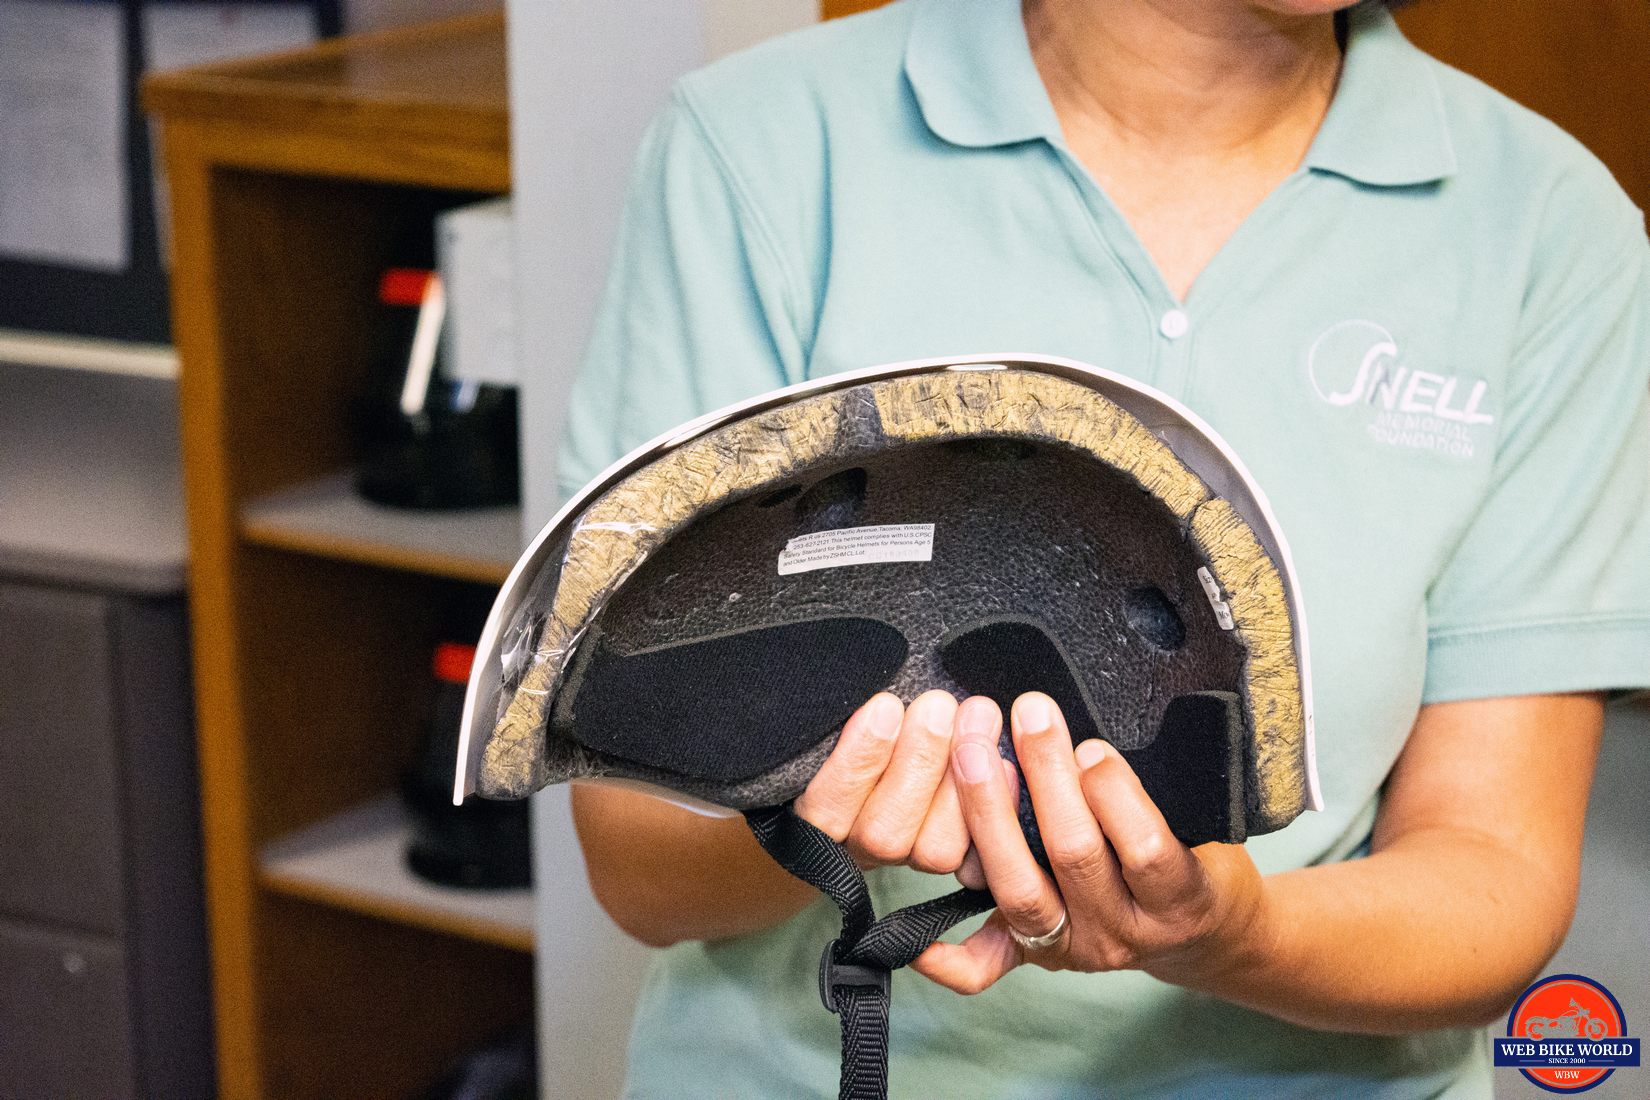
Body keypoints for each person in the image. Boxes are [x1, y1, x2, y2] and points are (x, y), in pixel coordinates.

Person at [557, 0, 1650, 1095]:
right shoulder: (762, 145)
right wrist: (819, 815)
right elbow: (638, 867)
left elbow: (1493, 869)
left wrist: (1237, 934)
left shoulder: (1550, 229)